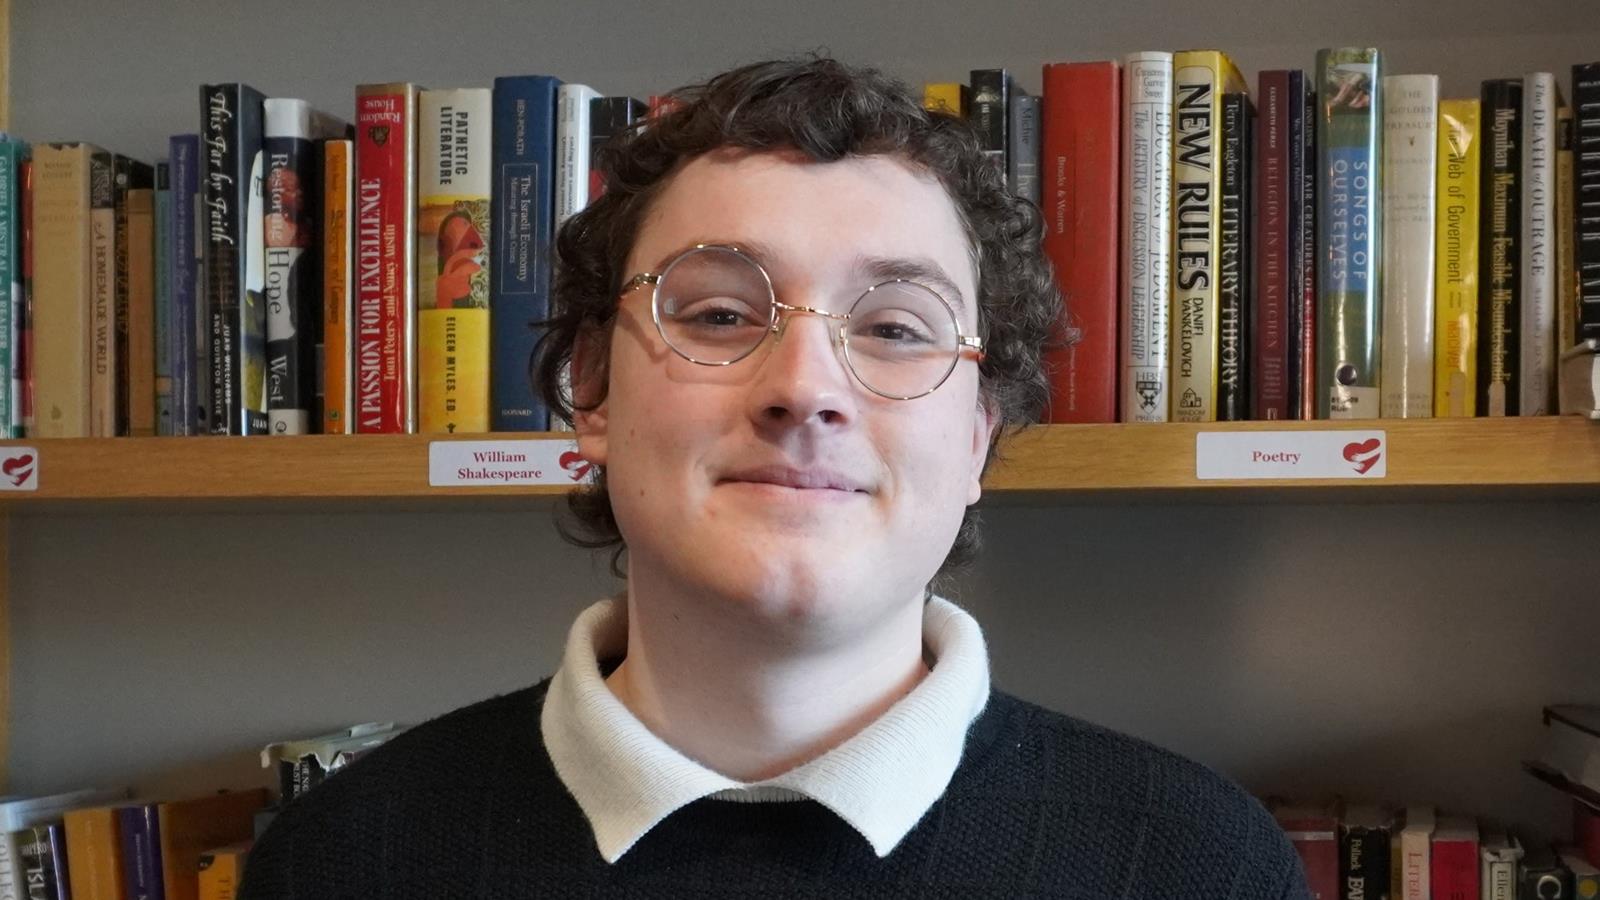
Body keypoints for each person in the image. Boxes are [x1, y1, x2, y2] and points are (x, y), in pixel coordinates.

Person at [239, 56, 1309, 899]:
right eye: (717, 314)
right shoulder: (345, 859)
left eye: (896, 328)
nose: (804, 389)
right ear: (592, 391)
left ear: (979, 435)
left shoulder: (1197, 866)